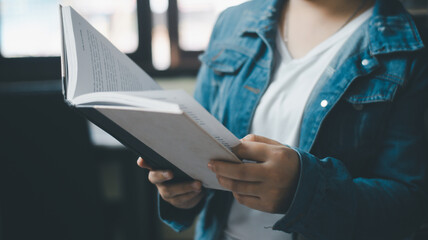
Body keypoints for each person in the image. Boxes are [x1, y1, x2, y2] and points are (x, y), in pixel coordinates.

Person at [137, 0, 428, 239]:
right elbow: (197, 143)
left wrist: (304, 190)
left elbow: (411, 205)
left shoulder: (409, 47)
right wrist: (180, 190)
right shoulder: (233, 22)